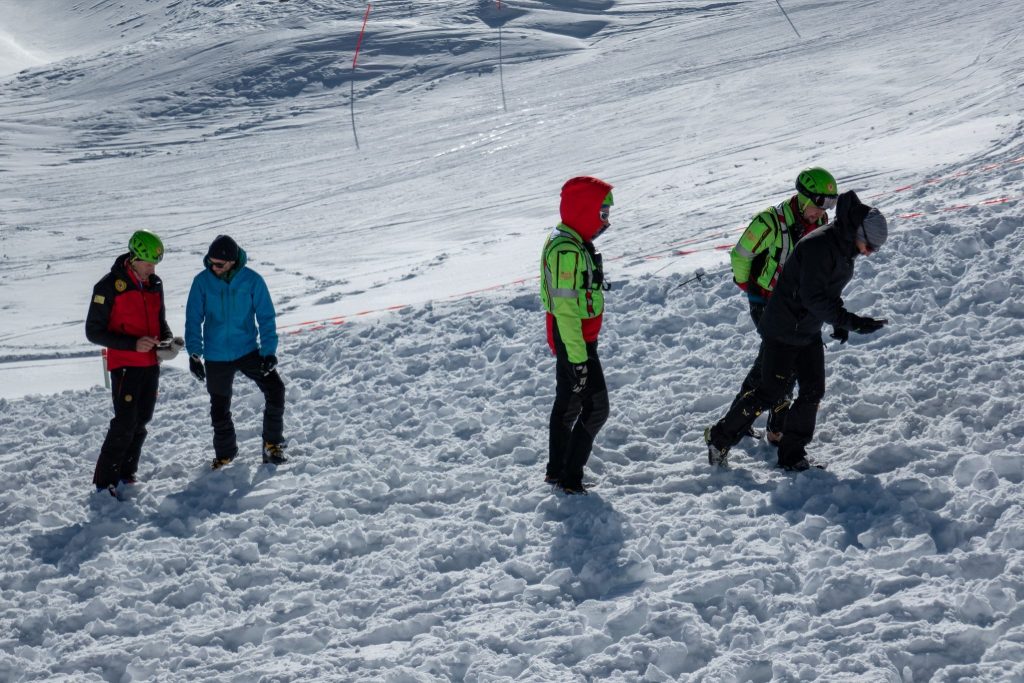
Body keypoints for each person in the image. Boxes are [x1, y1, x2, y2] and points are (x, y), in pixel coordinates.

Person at [705, 190, 889, 471]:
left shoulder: (844, 248)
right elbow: (812, 297)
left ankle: (792, 456)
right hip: (783, 328)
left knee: (813, 390)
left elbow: (828, 291)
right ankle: (719, 438)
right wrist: (851, 321)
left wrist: (839, 322)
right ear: (857, 232)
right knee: (769, 392)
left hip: (806, 328)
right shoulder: (820, 246)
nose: (870, 253)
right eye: (870, 246)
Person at [728, 167, 838, 444]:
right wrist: (750, 289)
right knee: (781, 363)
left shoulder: (821, 221)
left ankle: (748, 423)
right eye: (818, 204)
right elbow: (740, 256)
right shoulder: (769, 222)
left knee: (773, 363)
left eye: (830, 205)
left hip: (798, 304)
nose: (821, 212)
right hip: (767, 301)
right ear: (803, 198)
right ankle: (764, 428)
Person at [86, 229, 177, 496]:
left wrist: (167, 341)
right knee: (125, 422)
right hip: (125, 364)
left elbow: (160, 321)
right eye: (148, 263)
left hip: (150, 363)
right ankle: (105, 482)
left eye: (155, 264)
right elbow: (94, 331)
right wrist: (132, 344)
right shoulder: (108, 287)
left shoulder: (155, 284)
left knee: (142, 419)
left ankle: (126, 472)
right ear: (134, 257)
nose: (152, 268)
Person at [185, 235, 288, 469]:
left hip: (248, 350)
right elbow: (193, 319)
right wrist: (194, 354)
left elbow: (266, 318)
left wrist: (269, 352)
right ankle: (225, 455)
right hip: (216, 355)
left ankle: (272, 445)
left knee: (276, 389)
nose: (213, 268)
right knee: (219, 408)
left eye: (219, 264)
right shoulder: (201, 282)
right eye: (210, 263)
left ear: (232, 262)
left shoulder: (252, 281)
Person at [540, 176, 614, 495]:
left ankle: (557, 471)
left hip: (577, 340)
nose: (606, 222)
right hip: (576, 343)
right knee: (596, 408)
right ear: (584, 210)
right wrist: (579, 361)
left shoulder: (573, 241)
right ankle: (570, 478)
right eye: (602, 214)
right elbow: (566, 311)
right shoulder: (566, 251)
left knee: (569, 404)